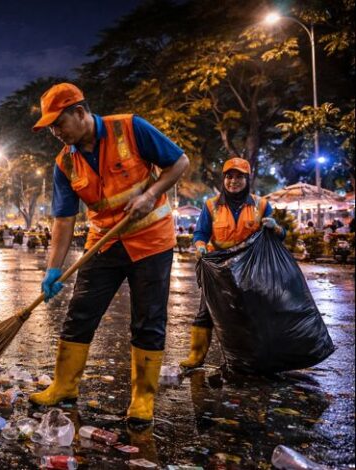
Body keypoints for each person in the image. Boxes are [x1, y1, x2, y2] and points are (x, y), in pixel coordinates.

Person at [30, 82, 189, 427]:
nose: (55, 132)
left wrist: (152, 194)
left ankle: (142, 400)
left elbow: (179, 162)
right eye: (51, 127)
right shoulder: (65, 163)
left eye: (59, 123)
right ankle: (63, 386)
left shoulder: (130, 128)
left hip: (151, 242)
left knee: (148, 321)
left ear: (79, 112)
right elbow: (63, 220)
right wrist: (52, 269)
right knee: (80, 313)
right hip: (105, 242)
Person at [181, 157, 285, 369]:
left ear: (248, 179)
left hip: (249, 269)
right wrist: (200, 245)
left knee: (251, 313)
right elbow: (201, 232)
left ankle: (251, 359)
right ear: (224, 179)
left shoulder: (262, 205)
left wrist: (275, 227)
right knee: (206, 311)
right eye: (229, 176)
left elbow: (279, 236)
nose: (233, 181)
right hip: (219, 269)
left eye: (239, 177)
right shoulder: (211, 205)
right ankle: (196, 355)